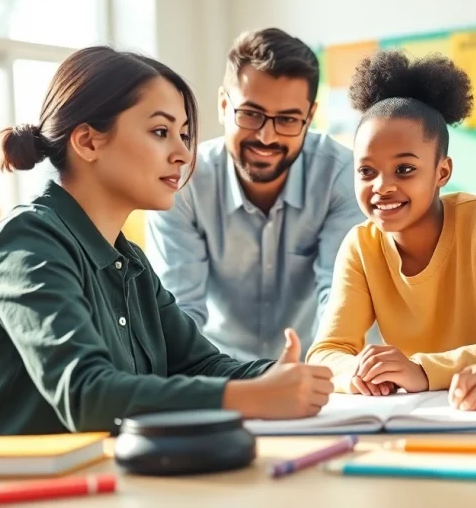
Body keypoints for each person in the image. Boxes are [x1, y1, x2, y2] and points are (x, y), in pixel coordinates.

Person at [0, 46, 333, 438]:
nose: (183, 154)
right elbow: (87, 394)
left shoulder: (129, 262)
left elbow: (200, 363)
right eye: (161, 132)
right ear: (88, 142)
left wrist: (278, 376)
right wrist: (252, 397)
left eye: (184, 134)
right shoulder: (25, 243)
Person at [305, 50, 476, 408]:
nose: (382, 186)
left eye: (404, 170)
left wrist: (422, 370)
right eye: (366, 171)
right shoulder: (361, 246)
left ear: (442, 173)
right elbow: (325, 353)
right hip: (418, 417)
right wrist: (358, 371)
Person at [145, 28, 366, 362]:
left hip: (314, 365)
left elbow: (338, 300)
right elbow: (179, 312)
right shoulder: (181, 182)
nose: (266, 136)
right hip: (215, 368)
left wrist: (322, 373)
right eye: (251, 114)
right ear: (223, 105)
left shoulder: (341, 176)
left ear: (308, 118)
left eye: (288, 119)